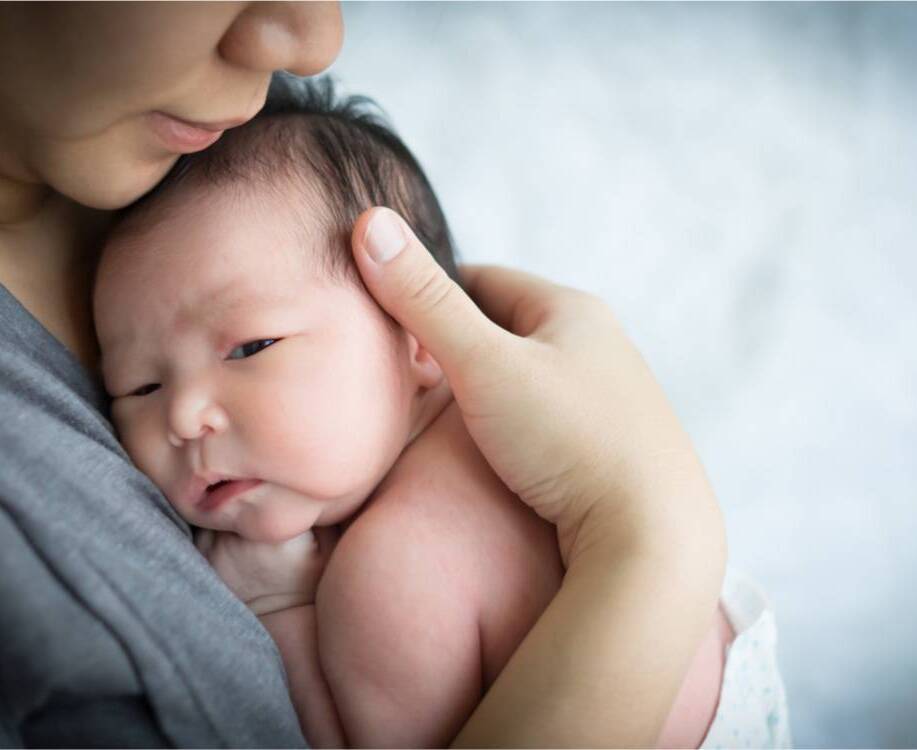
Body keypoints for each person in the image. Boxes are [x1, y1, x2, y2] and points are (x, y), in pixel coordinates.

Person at [0, 4, 728, 747]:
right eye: (140, 389)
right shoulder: (550, 418)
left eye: (251, 348)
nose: (183, 416)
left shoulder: (393, 575)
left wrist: (280, 608)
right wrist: (655, 530)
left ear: (422, 332)